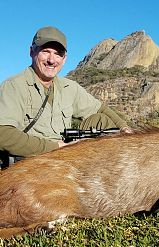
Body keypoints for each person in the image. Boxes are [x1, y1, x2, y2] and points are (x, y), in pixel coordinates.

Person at [0, 26, 133, 168]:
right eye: (46, 51)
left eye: (58, 54)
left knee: (101, 120)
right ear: (32, 52)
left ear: (64, 59)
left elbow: (100, 109)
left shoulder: (69, 87)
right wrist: (56, 147)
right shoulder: (14, 86)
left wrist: (124, 128)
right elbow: (3, 134)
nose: (52, 60)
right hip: (32, 161)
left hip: (64, 155)